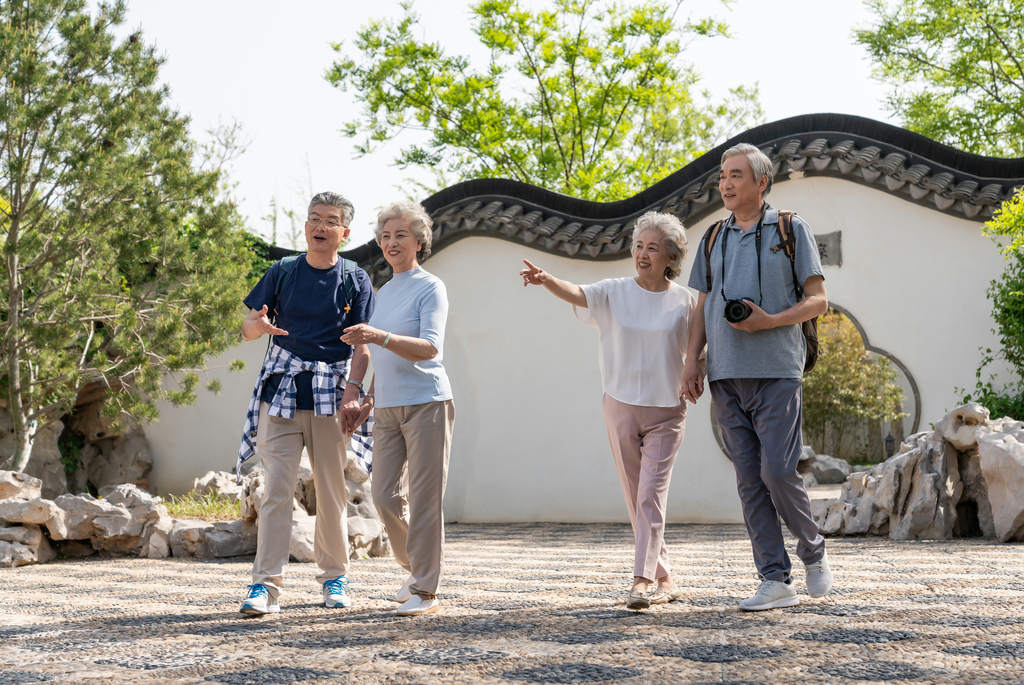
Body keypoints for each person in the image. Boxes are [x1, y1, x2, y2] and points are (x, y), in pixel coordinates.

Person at [519, 211, 701, 611]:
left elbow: (698, 351)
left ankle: (640, 581)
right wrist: (548, 280)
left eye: (652, 247)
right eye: (638, 245)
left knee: (651, 494)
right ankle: (665, 577)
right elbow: (578, 293)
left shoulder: (686, 300)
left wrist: (698, 370)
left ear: (670, 256)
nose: (642, 253)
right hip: (619, 405)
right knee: (637, 497)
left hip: (668, 410)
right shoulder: (614, 291)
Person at [682, 143, 834, 611]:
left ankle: (813, 550)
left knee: (777, 471)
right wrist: (693, 359)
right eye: (722, 176)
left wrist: (768, 321)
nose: (725, 184)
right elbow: (702, 305)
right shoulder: (712, 236)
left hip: (776, 370)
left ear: (761, 182)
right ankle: (775, 577)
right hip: (726, 375)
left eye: (736, 175)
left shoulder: (790, 228)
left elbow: (818, 299)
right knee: (749, 480)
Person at [235, 192, 375, 615]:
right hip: (281, 390)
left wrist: (353, 391)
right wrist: (256, 328)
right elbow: (246, 327)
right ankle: (265, 586)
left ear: (344, 233)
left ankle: (334, 578)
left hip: (332, 394)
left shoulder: (356, 278)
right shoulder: (283, 271)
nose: (320, 226)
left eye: (330, 221)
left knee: (331, 492)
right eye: (315, 218)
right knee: (277, 488)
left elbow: (363, 346)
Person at [341, 200, 455, 617]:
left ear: (419, 242)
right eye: (385, 236)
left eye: (400, 235)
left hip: (427, 402)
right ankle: (417, 569)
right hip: (386, 407)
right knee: (384, 495)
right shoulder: (382, 292)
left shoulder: (431, 287)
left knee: (425, 499)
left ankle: (426, 588)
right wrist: (366, 397)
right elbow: (376, 356)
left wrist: (379, 335)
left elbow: (429, 348)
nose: (391, 242)